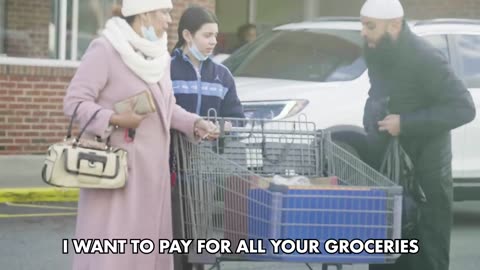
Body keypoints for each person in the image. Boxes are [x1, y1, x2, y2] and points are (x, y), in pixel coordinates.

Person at [63, 0, 218, 269]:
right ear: (144, 14)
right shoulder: (105, 49)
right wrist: (114, 118)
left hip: (152, 175)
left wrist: (195, 123)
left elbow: (166, 108)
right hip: (115, 173)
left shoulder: (158, 57)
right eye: (164, 12)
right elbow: (74, 102)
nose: (169, 20)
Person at [360, 1, 476, 270]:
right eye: (363, 25)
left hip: (427, 180)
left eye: (370, 26)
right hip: (391, 175)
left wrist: (406, 123)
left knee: (424, 258)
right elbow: (376, 94)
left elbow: (463, 108)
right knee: (387, 256)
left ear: (394, 25)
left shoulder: (425, 57)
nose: (364, 32)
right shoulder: (380, 52)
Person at [169, 6, 245, 270]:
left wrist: (220, 128)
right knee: (173, 230)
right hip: (169, 163)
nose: (214, 41)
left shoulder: (222, 75)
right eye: (207, 35)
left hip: (205, 166)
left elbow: (237, 117)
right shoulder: (166, 70)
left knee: (199, 232)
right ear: (187, 35)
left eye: (215, 35)